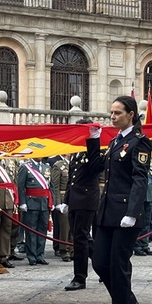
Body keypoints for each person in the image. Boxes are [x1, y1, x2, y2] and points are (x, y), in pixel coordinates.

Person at [85, 96, 152, 304]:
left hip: (125, 214)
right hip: (107, 212)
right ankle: (129, 301)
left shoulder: (139, 142)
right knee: (100, 262)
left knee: (118, 267)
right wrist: (92, 140)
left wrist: (132, 212)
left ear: (131, 114)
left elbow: (139, 178)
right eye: (111, 113)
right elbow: (96, 167)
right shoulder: (115, 142)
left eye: (117, 113)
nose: (112, 117)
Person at [59, 118, 100, 291]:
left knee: (81, 238)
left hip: (86, 199)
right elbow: (71, 180)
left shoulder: (93, 152)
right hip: (75, 200)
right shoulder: (75, 153)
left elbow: (95, 168)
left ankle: (80, 278)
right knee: (80, 238)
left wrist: (94, 141)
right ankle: (103, 265)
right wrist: (66, 201)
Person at [16, 158, 52, 266]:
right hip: (31, 202)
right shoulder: (25, 167)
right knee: (31, 231)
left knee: (42, 230)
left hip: (44, 203)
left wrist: (52, 201)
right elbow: (21, 186)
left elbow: (51, 186)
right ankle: (32, 256)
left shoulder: (47, 167)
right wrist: (22, 202)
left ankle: (40, 255)